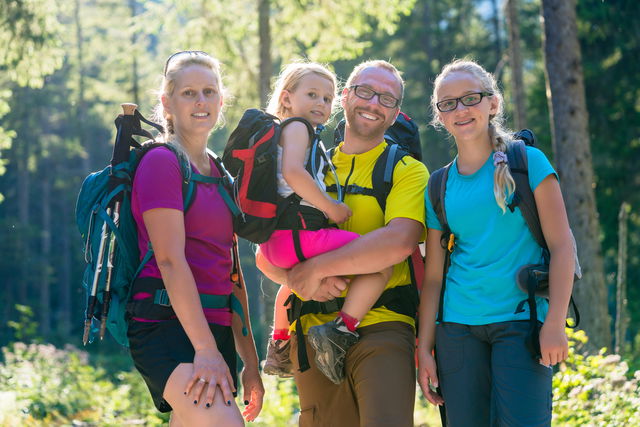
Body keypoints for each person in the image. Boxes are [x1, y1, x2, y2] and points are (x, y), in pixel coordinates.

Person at [257, 60, 428, 427]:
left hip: (383, 325)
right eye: (365, 91)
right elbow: (266, 255)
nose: (373, 102)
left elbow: (397, 244)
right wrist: (307, 284)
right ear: (346, 97)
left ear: (396, 112)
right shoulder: (310, 166)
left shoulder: (407, 170)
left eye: (386, 98)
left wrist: (315, 270)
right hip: (311, 328)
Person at [416, 59, 575, 426]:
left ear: (493, 104)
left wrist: (554, 322)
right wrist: (424, 349)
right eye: (448, 103)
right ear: (439, 116)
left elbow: (564, 246)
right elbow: (434, 279)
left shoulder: (528, 162)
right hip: (455, 330)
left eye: (470, 98)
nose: (460, 109)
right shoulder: (438, 186)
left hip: (521, 324)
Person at [126, 51, 264, 426]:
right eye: (188, 93)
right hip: (165, 323)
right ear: (166, 103)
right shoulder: (162, 163)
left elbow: (232, 273)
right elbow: (170, 260)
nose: (201, 101)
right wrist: (204, 349)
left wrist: (250, 362)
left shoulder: (221, 172)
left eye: (209, 91)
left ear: (222, 100)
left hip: (214, 329)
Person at [258, 61, 393, 385]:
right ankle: (342, 329)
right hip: (300, 233)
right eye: (312, 95)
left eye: (327, 98)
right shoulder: (298, 128)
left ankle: (278, 343)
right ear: (287, 98)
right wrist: (331, 208)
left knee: (291, 281)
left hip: (278, 243)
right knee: (379, 262)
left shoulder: (288, 132)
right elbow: (293, 172)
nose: (321, 104)